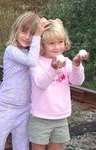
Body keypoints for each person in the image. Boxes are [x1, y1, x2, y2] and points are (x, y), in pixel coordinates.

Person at [0, 11, 50, 150]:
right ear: (16, 29)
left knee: (22, 145)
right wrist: (38, 35)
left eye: (32, 33)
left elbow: (45, 51)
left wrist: (52, 26)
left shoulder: (32, 51)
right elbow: (32, 61)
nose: (28, 37)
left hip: (25, 109)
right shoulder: (11, 50)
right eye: (24, 31)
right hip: (5, 108)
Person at [29, 20, 89, 150]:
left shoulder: (66, 61)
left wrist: (76, 66)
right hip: (40, 117)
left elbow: (77, 81)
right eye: (51, 43)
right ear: (41, 45)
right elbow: (41, 83)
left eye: (60, 42)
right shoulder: (36, 62)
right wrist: (53, 68)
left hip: (61, 117)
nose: (57, 47)